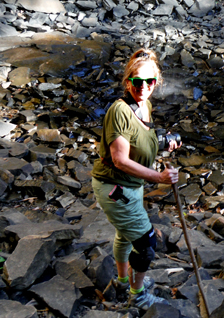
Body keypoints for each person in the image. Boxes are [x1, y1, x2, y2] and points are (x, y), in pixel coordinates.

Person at [91, 48, 181, 310]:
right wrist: (159, 177)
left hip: (130, 186)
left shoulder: (144, 105)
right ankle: (138, 295)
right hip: (115, 188)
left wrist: (164, 144)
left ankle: (121, 280)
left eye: (149, 82)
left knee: (124, 236)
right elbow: (120, 159)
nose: (143, 87)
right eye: (137, 82)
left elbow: (139, 143)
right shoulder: (119, 111)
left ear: (156, 82)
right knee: (146, 242)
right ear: (127, 81)